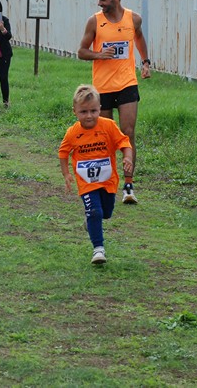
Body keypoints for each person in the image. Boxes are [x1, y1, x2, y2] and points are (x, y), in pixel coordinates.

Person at [78, 0, 150, 204]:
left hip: (127, 83)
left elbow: (138, 38)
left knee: (128, 132)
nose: (99, 3)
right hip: (103, 87)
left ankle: (129, 186)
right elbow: (81, 52)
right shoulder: (94, 21)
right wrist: (99, 55)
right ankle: (107, 183)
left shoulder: (133, 19)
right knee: (106, 137)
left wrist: (145, 62)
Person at [59, 85, 133, 265]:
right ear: (75, 112)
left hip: (108, 181)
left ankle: (90, 220)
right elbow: (63, 153)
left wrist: (127, 156)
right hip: (86, 182)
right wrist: (67, 174)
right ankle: (98, 249)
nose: (89, 115)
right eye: (84, 112)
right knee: (95, 211)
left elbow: (124, 142)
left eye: (93, 110)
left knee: (105, 213)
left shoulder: (108, 126)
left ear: (100, 108)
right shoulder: (73, 133)